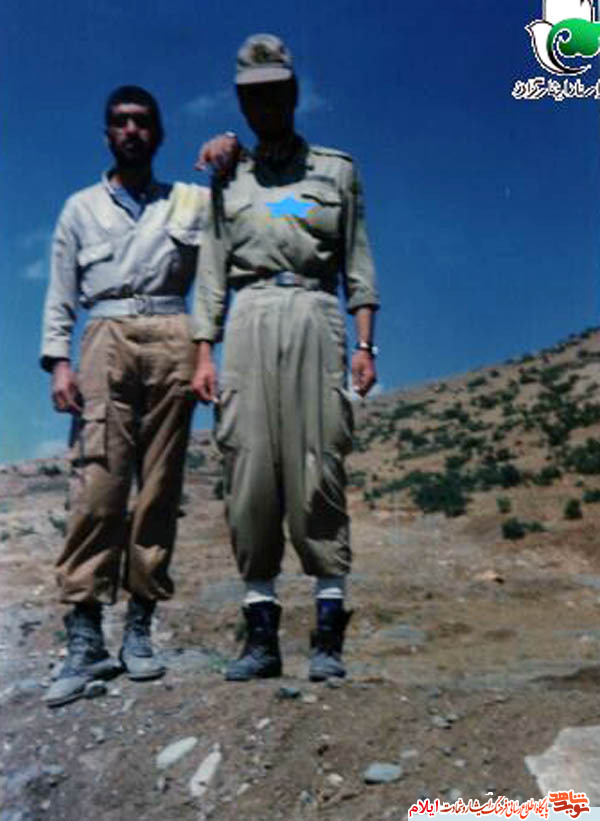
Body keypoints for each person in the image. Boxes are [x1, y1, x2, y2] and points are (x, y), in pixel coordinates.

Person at [40, 85, 238, 707]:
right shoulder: (79, 208)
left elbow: (266, 206)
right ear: (107, 134)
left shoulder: (191, 200)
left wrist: (236, 151)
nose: (131, 131)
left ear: (159, 134)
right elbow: (60, 289)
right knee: (98, 485)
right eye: (120, 122)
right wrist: (58, 363)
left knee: (160, 488)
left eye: (142, 122)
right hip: (105, 336)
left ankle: (140, 629)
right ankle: (84, 636)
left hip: (175, 331)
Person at [192, 34, 380, 682]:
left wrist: (365, 344)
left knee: (318, 464)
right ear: (241, 104)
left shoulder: (336, 171)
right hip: (246, 317)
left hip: (315, 313)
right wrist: (203, 352)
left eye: (276, 92)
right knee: (249, 472)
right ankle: (261, 639)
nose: (265, 105)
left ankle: (328, 637)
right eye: (253, 96)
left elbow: (357, 262)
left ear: (294, 94)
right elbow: (211, 269)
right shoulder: (228, 176)